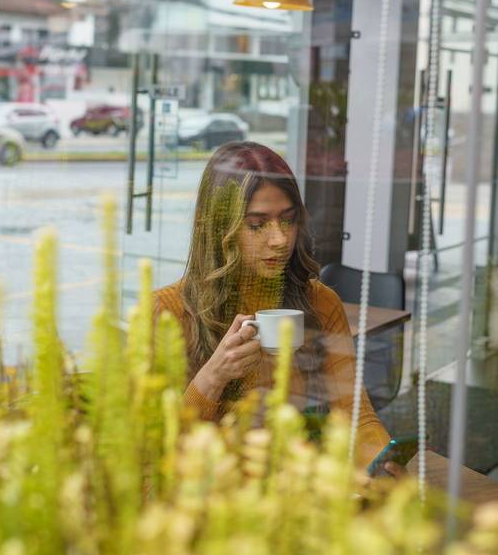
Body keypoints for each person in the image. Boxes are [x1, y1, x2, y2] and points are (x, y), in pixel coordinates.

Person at [154, 141, 401, 473]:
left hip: (291, 494)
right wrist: (214, 375)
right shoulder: (167, 312)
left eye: (288, 220)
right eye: (257, 225)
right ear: (217, 228)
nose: (280, 239)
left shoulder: (321, 303)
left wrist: (381, 462)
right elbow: (156, 449)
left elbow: (355, 415)